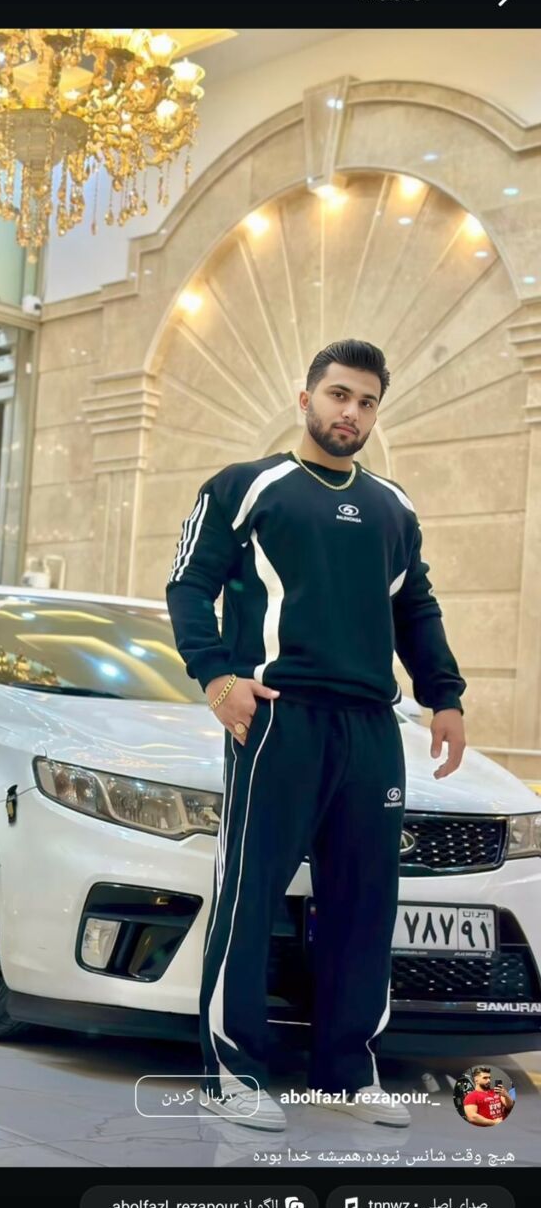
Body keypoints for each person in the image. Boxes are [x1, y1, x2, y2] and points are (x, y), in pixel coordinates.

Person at [166, 338, 467, 1132]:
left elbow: (416, 608)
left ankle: (347, 1070)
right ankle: (233, 1071)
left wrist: (444, 696)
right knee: (251, 892)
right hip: (279, 716)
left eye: (366, 402)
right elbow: (189, 585)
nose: (351, 413)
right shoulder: (247, 486)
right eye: (339, 395)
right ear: (306, 399)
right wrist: (217, 678)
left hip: (371, 726)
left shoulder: (393, 507)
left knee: (365, 901)